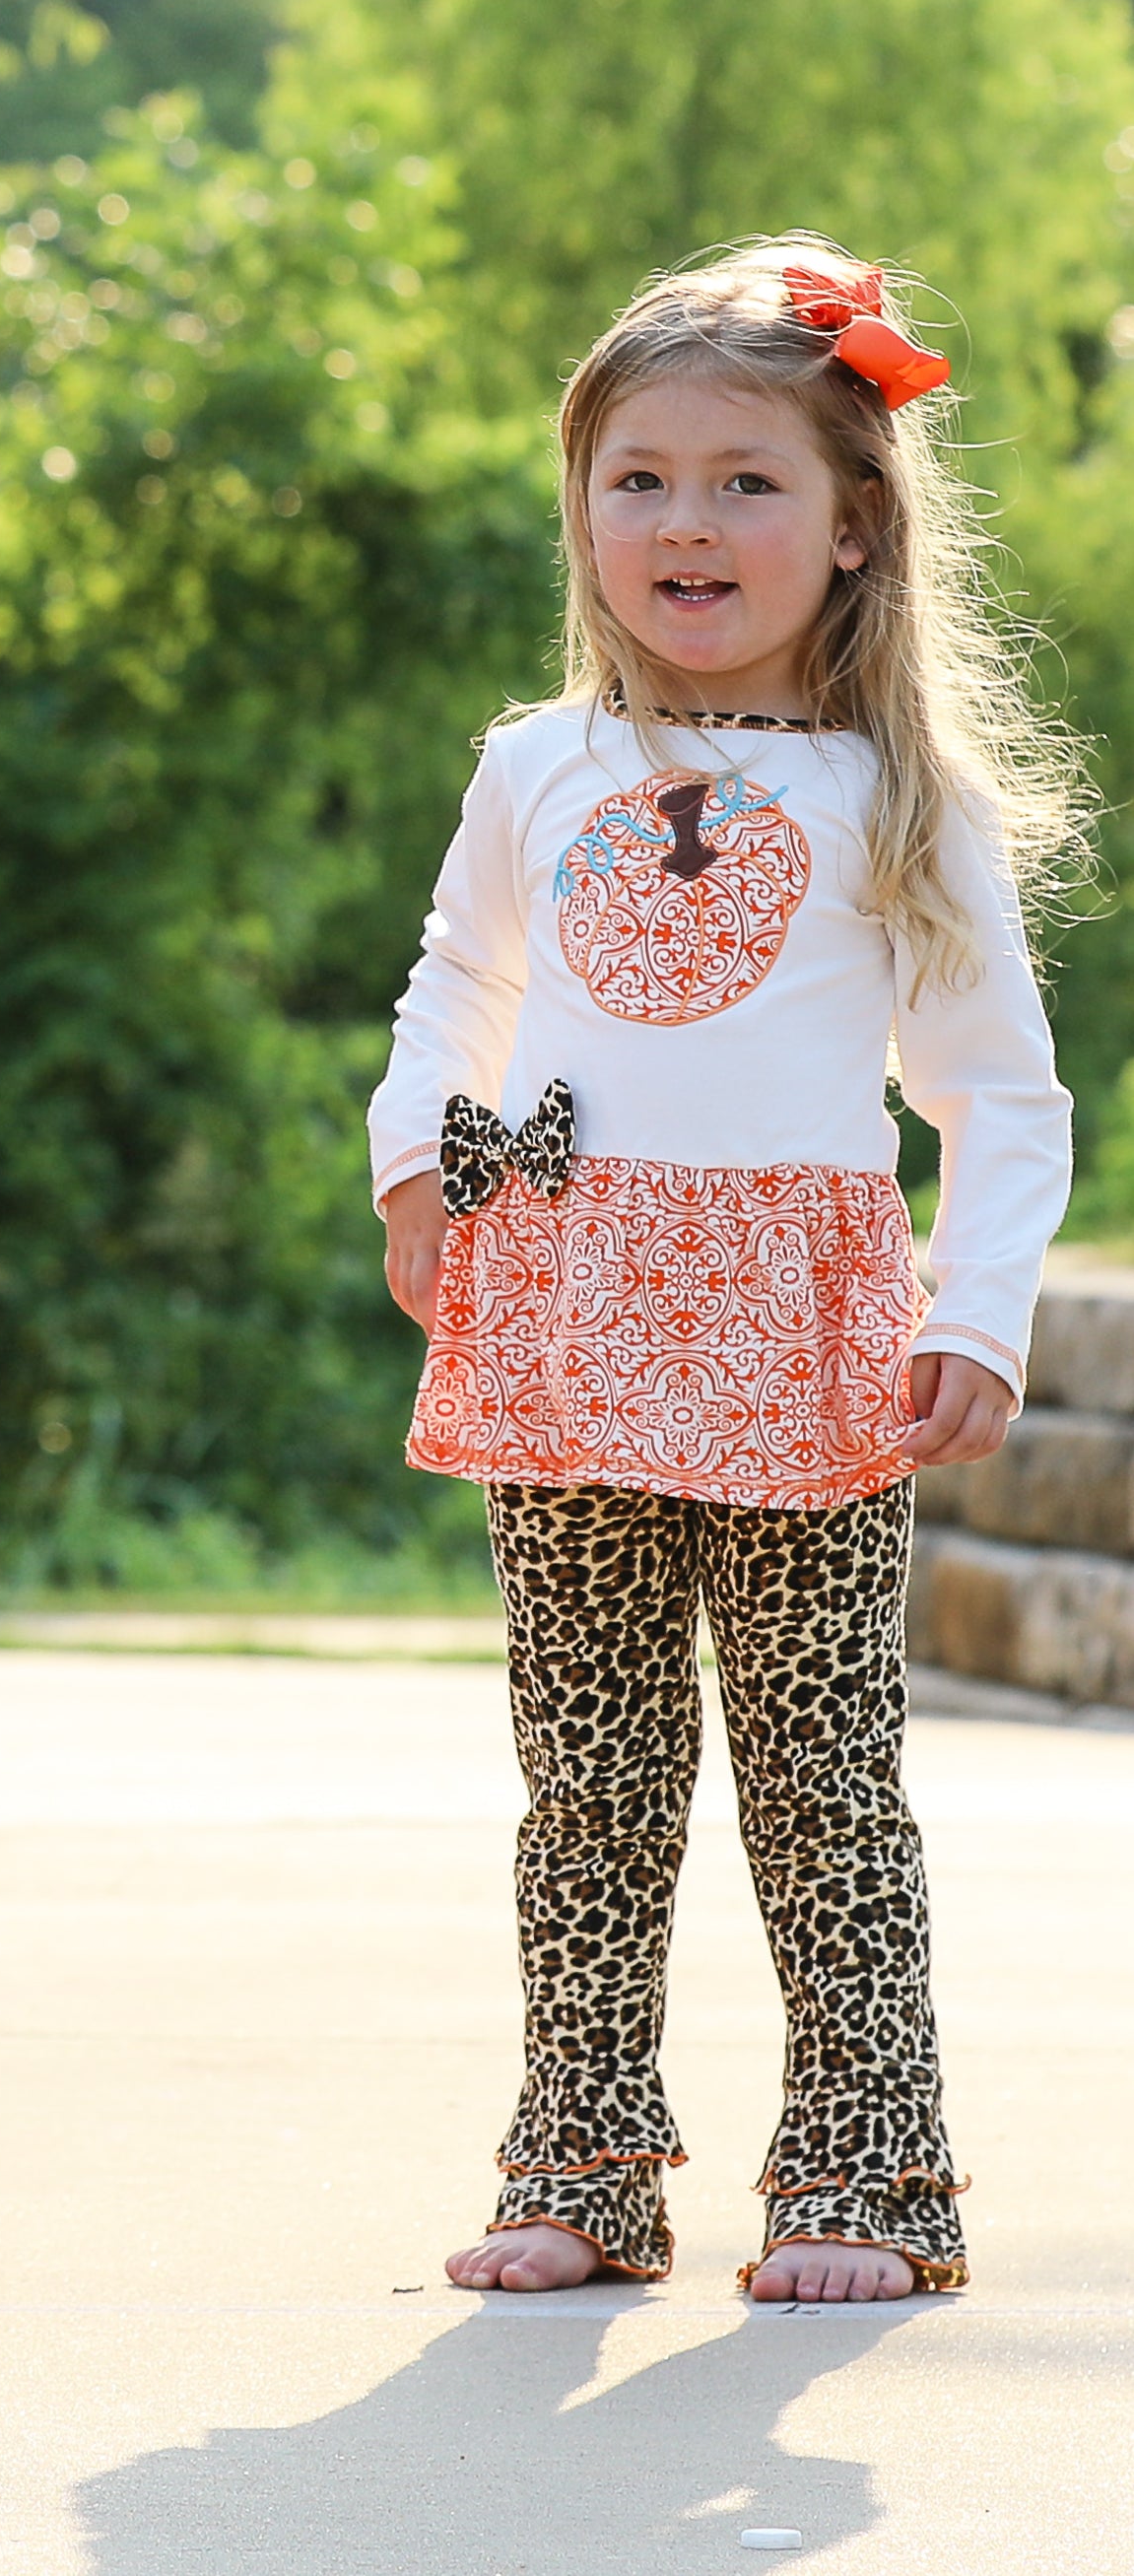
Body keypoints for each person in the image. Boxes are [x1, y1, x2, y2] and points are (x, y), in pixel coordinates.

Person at [368, 238, 1081, 2303]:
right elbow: (458, 990)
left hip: (809, 1350)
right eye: (640, 480)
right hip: (567, 1325)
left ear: (854, 527)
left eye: (748, 483)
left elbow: (1002, 1096)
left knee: (823, 1776)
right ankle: (580, 2160)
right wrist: (420, 1163)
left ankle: (868, 2171)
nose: (688, 524)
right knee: (583, 1783)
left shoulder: (894, 804)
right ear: (583, 512)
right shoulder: (536, 772)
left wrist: (975, 1310)